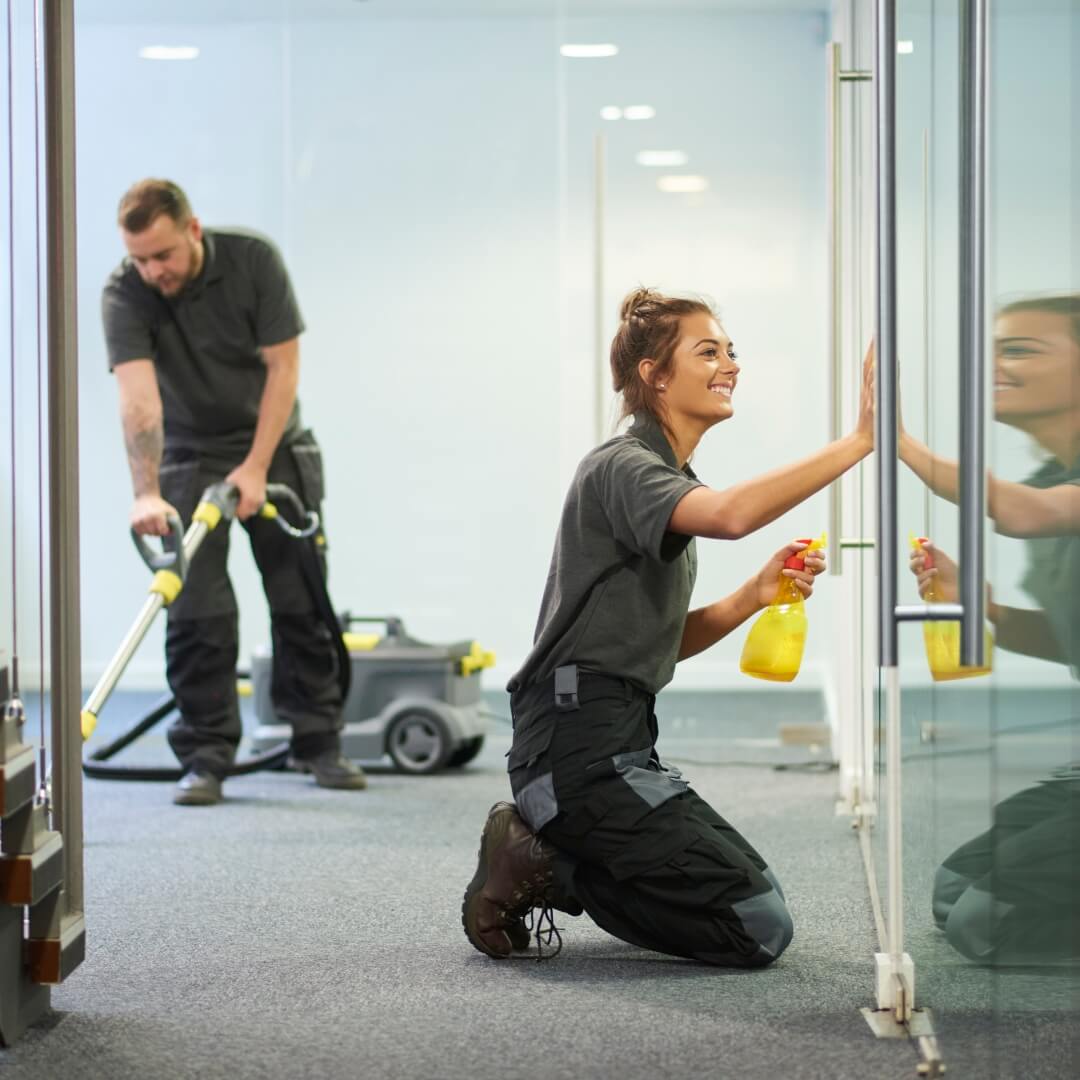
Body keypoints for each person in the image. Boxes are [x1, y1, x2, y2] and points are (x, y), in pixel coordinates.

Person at [462, 288, 875, 965]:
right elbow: (733, 515)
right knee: (755, 928)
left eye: (731, 351)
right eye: (707, 351)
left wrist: (751, 596)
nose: (730, 364)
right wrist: (860, 441)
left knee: (756, 900)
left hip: (618, 741)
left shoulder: (663, 473)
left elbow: (646, 643)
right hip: (573, 751)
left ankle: (552, 850)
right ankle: (540, 860)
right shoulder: (624, 465)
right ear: (654, 374)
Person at [101, 178, 366, 806]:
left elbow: (284, 369)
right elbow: (138, 401)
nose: (151, 270)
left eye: (162, 255)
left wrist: (255, 466)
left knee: (300, 599)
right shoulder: (125, 291)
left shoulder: (253, 261)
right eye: (139, 258)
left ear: (193, 230)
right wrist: (145, 491)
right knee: (196, 613)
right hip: (188, 456)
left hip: (273, 444)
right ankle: (206, 755)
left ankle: (317, 742)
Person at [904, 295, 1080, 964]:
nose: (994, 365)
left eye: (1021, 349)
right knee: (955, 890)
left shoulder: (1042, 496)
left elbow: (1026, 512)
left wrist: (896, 443)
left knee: (990, 923)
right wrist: (990, 613)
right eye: (993, 349)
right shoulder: (1053, 475)